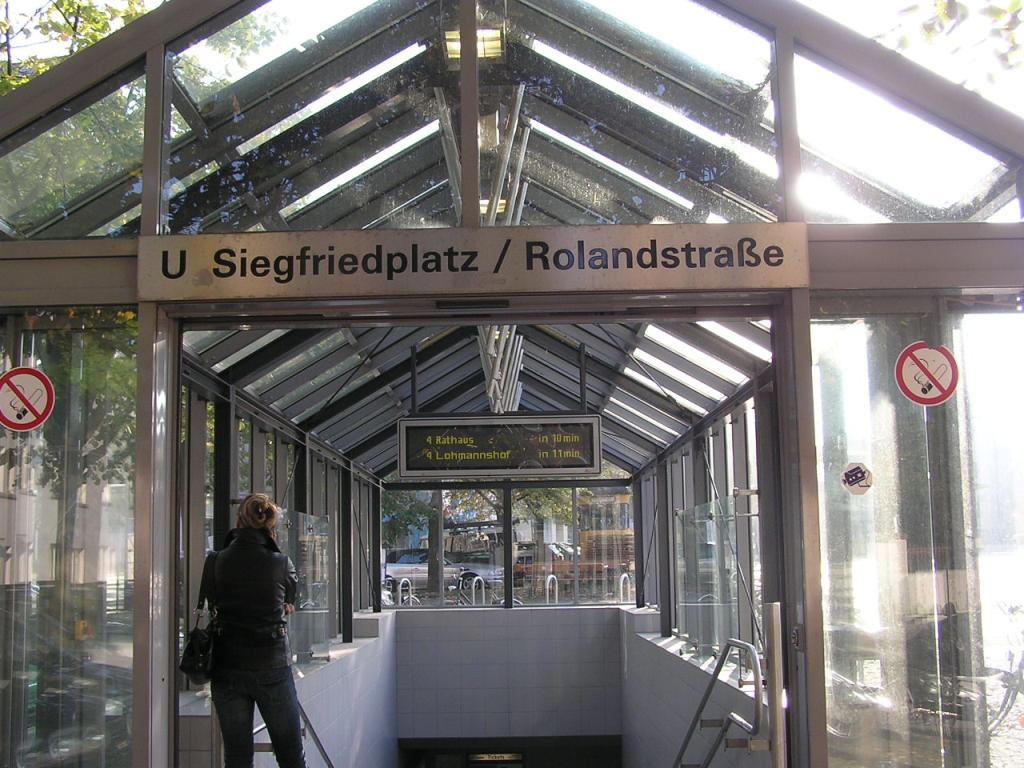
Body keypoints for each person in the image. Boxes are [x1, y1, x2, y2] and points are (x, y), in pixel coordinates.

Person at [211, 493, 307, 768]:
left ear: (238, 520)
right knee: (290, 755)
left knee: (237, 757)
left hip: (226, 664)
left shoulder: (216, 560)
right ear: (270, 524)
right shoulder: (281, 563)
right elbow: (289, 598)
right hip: (271, 663)